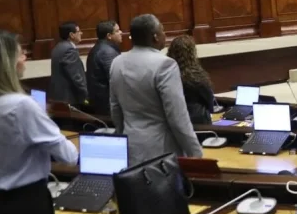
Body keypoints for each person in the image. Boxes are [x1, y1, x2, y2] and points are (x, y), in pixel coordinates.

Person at [0, 29, 78, 214]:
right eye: (21, 53)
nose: (24, 58)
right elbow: (68, 155)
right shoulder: (21, 105)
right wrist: (42, 118)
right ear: (8, 63)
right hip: (24, 210)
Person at [109, 14, 202, 165]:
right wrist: (195, 153)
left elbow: (115, 108)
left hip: (130, 144)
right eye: (162, 31)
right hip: (161, 149)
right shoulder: (165, 65)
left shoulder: (117, 63)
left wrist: (122, 134)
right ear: (155, 37)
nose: (165, 35)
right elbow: (177, 117)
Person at [165, 36, 216, 125]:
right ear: (192, 53)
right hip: (199, 123)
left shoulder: (165, 74)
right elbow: (210, 103)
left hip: (172, 122)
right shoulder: (197, 77)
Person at [85, 20, 122, 116]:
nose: (121, 32)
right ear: (109, 36)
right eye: (117, 31)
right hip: (107, 103)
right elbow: (115, 78)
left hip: (101, 101)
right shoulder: (107, 52)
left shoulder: (100, 47)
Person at [49, 21, 88, 107]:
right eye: (78, 31)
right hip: (70, 98)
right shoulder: (69, 50)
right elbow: (76, 76)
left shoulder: (58, 47)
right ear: (71, 35)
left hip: (60, 96)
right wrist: (86, 94)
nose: (81, 33)